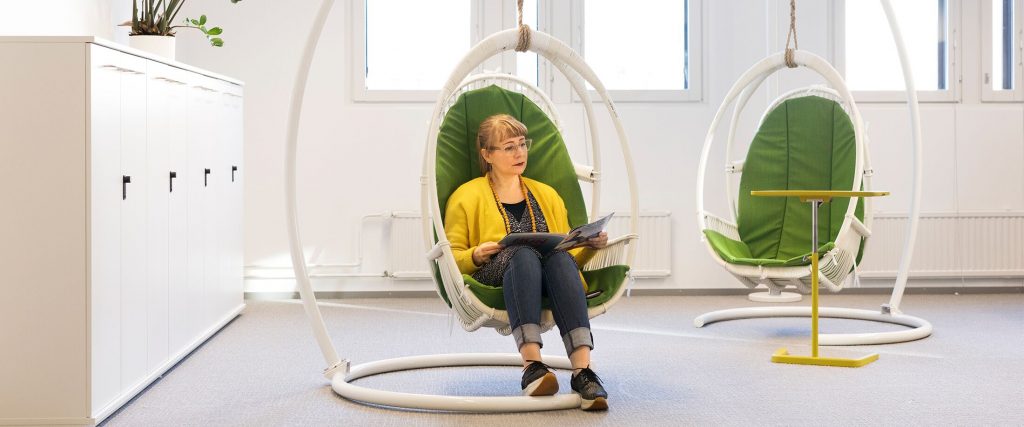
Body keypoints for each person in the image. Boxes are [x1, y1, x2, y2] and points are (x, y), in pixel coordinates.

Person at [444, 114, 610, 411]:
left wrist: (588, 246)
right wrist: (476, 254)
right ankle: (533, 366)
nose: (520, 153)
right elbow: (452, 258)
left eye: (522, 144)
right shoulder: (465, 196)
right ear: (487, 155)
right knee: (522, 254)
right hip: (495, 271)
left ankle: (582, 371)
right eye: (509, 147)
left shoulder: (547, 194)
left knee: (558, 256)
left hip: (549, 271)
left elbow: (568, 256)